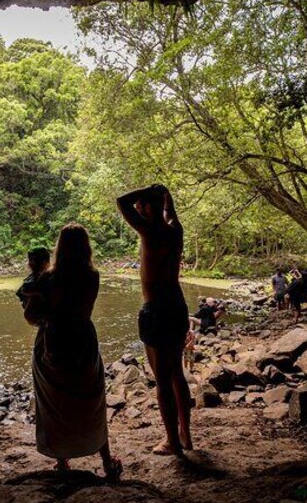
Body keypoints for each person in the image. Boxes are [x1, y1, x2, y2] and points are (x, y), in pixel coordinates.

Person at [23, 223, 122, 480]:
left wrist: (45, 308)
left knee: (54, 402)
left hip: (55, 342)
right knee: (92, 400)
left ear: (59, 247)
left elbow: (31, 315)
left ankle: (62, 462)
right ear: (86, 247)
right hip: (83, 342)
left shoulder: (47, 278)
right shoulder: (93, 276)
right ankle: (107, 461)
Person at [117, 184, 192, 455]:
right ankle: (186, 435)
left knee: (163, 380)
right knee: (178, 376)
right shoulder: (175, 231)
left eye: (142, 205)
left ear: (149, 207)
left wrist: (150, 190)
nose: (137, 208)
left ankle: (173, 441)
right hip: (177, 306)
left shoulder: (150, 232)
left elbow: (121, 202)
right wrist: (164, 195)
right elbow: (171, 212)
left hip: (156, 310)